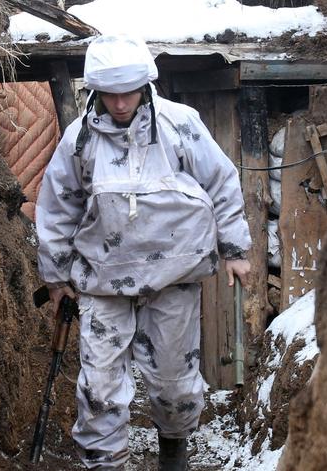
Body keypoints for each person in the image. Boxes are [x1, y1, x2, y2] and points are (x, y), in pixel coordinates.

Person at [36, 34, 251, 470]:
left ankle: (174, 448)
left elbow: (222, 182)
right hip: (102, 280)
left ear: (146, 84)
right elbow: (58, 204)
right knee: (99, 384)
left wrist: (234, 248)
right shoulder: (80, 140)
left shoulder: (181, 124)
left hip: (173, 278)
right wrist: (56, 277)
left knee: (174, 382)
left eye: (128, 92)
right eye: (110, 94)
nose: (119, 104)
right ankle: (105, 461)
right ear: (97, 90)